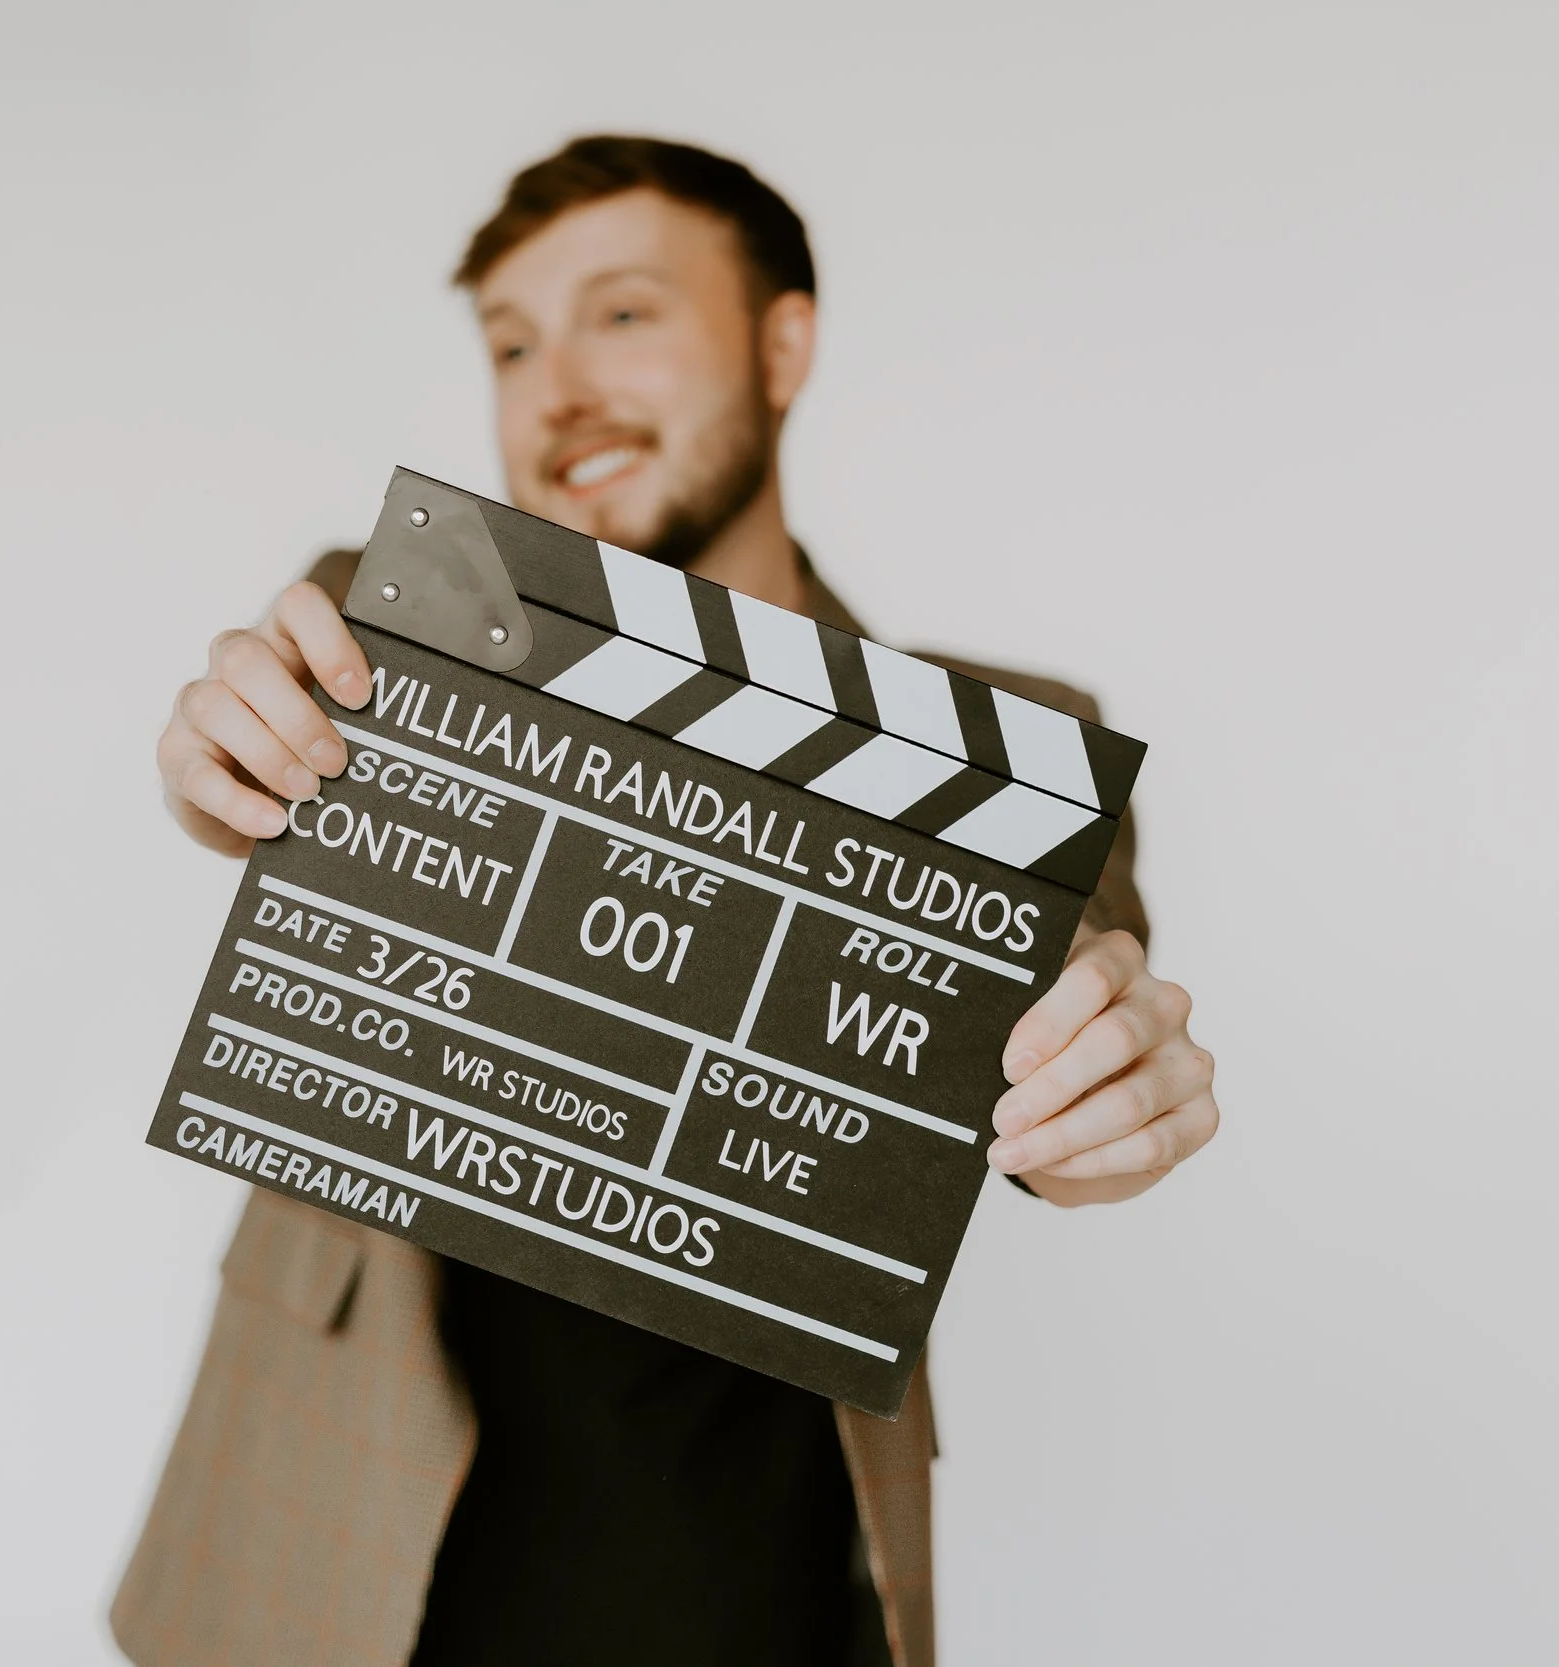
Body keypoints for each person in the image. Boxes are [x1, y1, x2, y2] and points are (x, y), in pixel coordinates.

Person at [117, 137, 1220, 1667]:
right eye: (513, 344)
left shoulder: (997, 758)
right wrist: (229, 762)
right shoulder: (392, 630)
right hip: (341, 1546)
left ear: (784, 343)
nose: (557, 387)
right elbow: (273, 731)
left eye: (624, 314)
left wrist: (1109, 1101)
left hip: (760, 1584)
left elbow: (1080, 999)